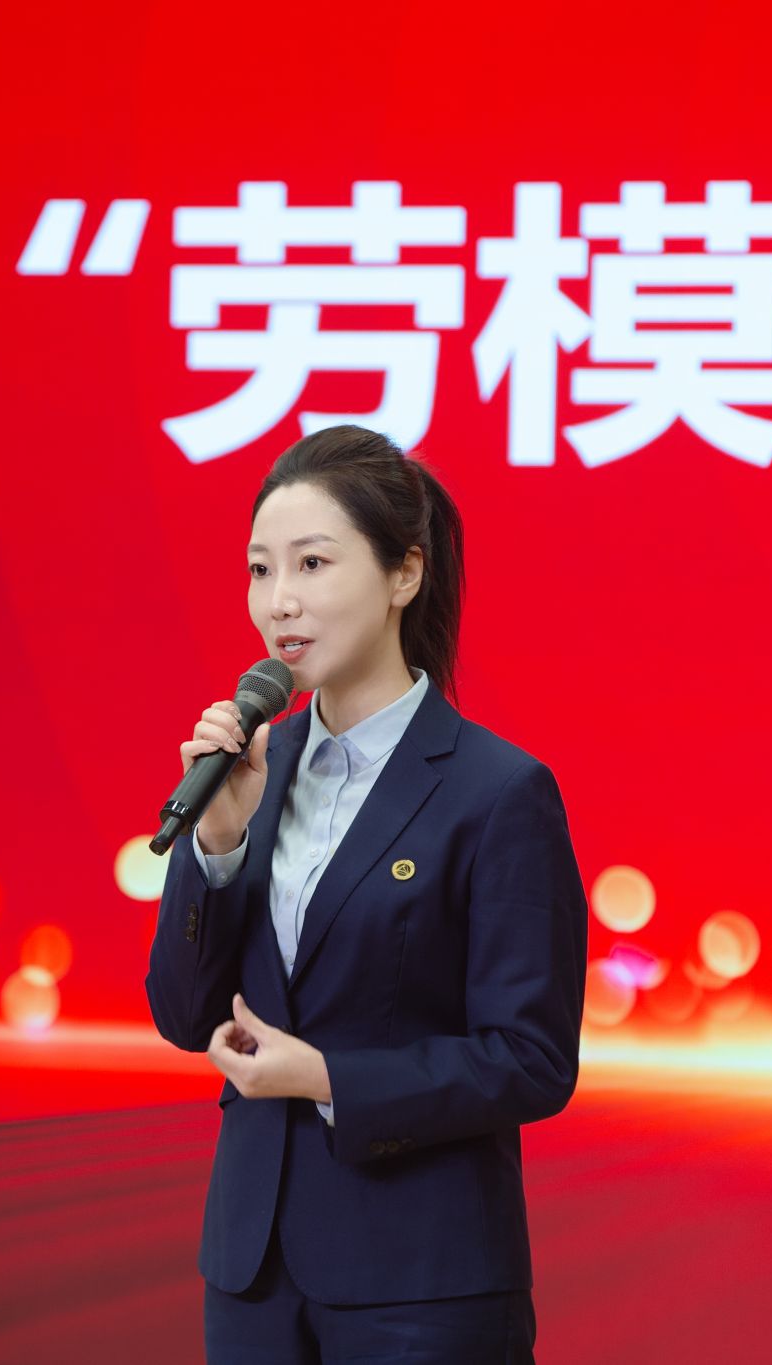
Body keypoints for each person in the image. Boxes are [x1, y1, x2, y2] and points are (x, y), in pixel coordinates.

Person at [144, 423, 588, 1363]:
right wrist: (217, 843)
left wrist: (328, 1078)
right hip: (253, 1278)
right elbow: (184, 1017)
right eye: (260, 568)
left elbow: (532, 1059)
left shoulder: (498, 791)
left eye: (312, 563)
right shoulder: (251, 769)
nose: (280, 600)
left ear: (404, 574)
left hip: (423, 1286)